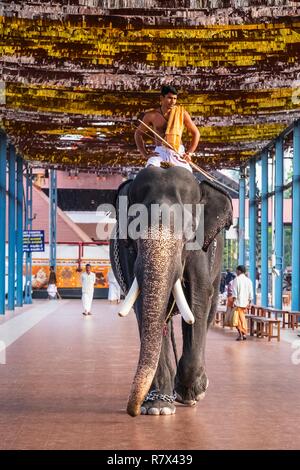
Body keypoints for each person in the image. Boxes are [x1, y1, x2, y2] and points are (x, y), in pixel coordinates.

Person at [134, 85, 200, 172]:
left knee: (188, 174)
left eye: (175, 98)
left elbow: (196, 133)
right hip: (160, 152)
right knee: (149, 170)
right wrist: (145, 154)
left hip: (178, 152)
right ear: (161, 98)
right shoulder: (151, 115)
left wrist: (189, 153)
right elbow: (138, 134)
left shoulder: (182, 113)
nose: (172, 101)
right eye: (169, 98)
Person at [231, 265, 253, 341]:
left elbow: (234, 292)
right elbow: (251, 293)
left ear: (239, 271)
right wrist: (249, 302)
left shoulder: (236, 279)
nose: (236, 272)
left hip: (238, 303)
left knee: (236, 320)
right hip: (245, 304)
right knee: (242, 319)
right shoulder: (249, 281)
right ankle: (244, 334)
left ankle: (241, 334)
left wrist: (233, 301)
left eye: (236, 270)